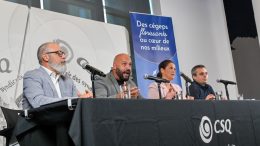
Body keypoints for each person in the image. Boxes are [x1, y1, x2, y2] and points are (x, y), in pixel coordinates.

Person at [22, 42, 92, 109]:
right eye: (59, 53)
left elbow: (76, 105)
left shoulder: (67, 80)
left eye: (63, 53)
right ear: (46, 57)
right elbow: (38, 102)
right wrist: (76, 100)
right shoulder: (32, 76)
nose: (64, 57)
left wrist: (85, 100)